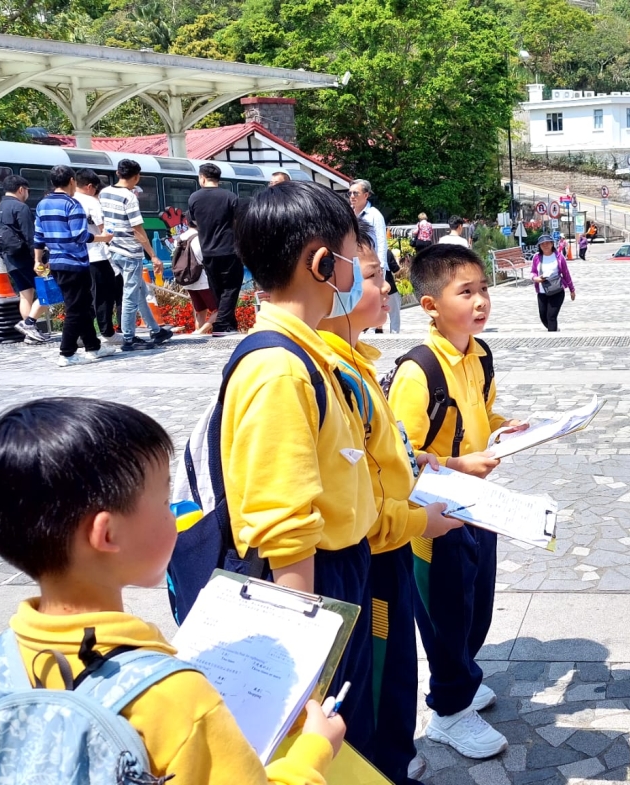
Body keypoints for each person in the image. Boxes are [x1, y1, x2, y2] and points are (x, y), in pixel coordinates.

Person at [0, 398, 346, 785]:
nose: (174, 512)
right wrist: (313, 752)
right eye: (164, 501)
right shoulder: (176, 697)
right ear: (108, 534)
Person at [224, 180, 378, 754]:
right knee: (322, 736)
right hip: (313, 583)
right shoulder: (280, 370)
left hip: (338, 568)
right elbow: (284, 525)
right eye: (351, 256)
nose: (357, 273)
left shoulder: (306, 352)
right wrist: (300, 666)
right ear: (322, 263)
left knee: (350, 732)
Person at [319, 225, 463, 785]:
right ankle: (386, 768)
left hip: (390, 547)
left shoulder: (356, 360)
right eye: (374, 275)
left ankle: (395, 760)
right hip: (373, 558)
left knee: (396, 666)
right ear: (329, 278)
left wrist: (417, 461)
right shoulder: (327, 372)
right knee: (379, 681)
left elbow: (382, 458)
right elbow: (352, 497)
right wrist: (421, 519)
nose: (386, 288)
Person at [388, 244, 526, 760]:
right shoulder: (418, 370)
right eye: (465, 292)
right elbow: (400, 456)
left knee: (475, 603)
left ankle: (462, 678)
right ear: (430, 305)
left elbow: (481, 416)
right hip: (436, 514)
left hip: (478, 505)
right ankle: (449, 710)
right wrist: (459, 464)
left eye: (483, 289)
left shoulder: (479, 354)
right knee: (445, 612)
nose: (481, 301)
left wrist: (506, 428)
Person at [34, 165, 116, 367]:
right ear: (72, 181)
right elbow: (80, 235)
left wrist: (37, 260)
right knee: (76, 309)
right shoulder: (72, 204)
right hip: (75, 262)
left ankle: (93, 347)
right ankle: (67, 352)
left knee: (82, 305)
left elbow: (38, 236)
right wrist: (103, 238)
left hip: (56, 262)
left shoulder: (42, 204)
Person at [100, 159, 172, 352]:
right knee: (130, 295)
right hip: (130, 252)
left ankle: (156, 330)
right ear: (137, 176)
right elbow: (138, 229)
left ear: (118, 173)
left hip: (114, 249)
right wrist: (153, 256)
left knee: (139, 290)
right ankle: (129, 339)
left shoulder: (104, 193)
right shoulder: (129, 197)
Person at [0, 176, 49, 343]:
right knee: (48, 291)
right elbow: (30, 237)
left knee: (25, 294)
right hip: (26, 258)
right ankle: (29, 324)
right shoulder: (21, 207)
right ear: (21, 189)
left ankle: (30, 334)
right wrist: (40, 258)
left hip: (10, 258)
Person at [188, 163, 244, 335]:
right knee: (231, 287)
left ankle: (229, 325)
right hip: (229, 249)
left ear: (202, 178)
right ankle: (222, 325)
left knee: (217, 289)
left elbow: (193, 222)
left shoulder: (194, 198)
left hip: (207, 251)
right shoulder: (230, 197)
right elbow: (239, 221)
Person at [74, 169, 122, 344]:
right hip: (96, 255)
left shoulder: (70, 200)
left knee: (81, 298)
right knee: (104, 295)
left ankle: (81, 335)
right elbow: (104, 229)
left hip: (75, 257)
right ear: (89, 186)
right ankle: (107, 332)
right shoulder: (91, 202)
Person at [348, 179, 399, 333]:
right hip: (357, 263)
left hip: (375, 263)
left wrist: (381, 266)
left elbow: (382, 241)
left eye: (355, 193)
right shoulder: (349, 213)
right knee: (366, 295)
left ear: (366, 195)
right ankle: (367, 327)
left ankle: (395, 329)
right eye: (350, 193)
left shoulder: (374, 215)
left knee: (390, 295)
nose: (352, 196)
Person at [176, 217, 217, 334]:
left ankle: (198, 332)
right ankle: (200, 332)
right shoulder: (199, 238)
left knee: (200, 310)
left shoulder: (180, 238)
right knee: (219, 310)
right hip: (202, 279)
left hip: (188, 279)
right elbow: (204, 258)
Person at [529, 236, 576, 332]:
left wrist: (572, 290)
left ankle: (552, 337)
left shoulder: (559, 257)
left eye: (547, 243)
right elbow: (533, 272)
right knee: (543, 316)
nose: (545, 245)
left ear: (552, 244)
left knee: (551, 316)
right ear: (539, 246)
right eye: (542, 244)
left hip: (557, 291)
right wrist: (535, 278)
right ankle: (554, 330)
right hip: (542, 292)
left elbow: (566, 274)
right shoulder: (537, 257)